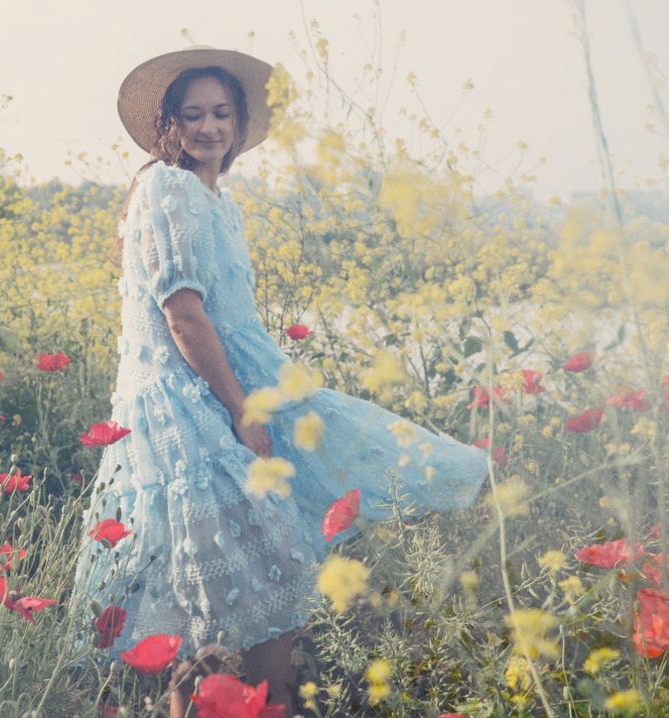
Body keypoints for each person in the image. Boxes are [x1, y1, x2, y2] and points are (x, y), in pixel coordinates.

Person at [68, 46, 489, 718]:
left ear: (237, 126)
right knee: (234, 573)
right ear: (168, 124)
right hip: (187, 405)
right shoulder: (165, 188)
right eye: (193, 114)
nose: (209, 127)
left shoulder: (217, 199)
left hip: (237, 385)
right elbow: (183, 312)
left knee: (255, 567)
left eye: (221, 114)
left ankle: (263, 703)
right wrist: (242, 408)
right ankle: (259, 704)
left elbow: (230, 316)